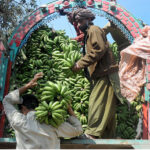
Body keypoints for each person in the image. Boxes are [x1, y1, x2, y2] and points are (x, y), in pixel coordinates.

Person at [3, 72, 83, 149]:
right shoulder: (53, 124)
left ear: (23, 108)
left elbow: (7, 100)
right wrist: (69, 108)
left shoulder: (19, 121)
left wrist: (28, 85)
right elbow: (78, 130)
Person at [72, 8, 118, 139]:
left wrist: (80, 63)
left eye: (80, 21)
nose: (79, 24)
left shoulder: (94, 30)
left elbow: (99, 49)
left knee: (96, 102)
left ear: (88, 19)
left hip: (105, 72)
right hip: (102, 73)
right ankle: (108, 136)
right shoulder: (89, 33)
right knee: (107, 105)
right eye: (77, 22)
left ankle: (92, 133)